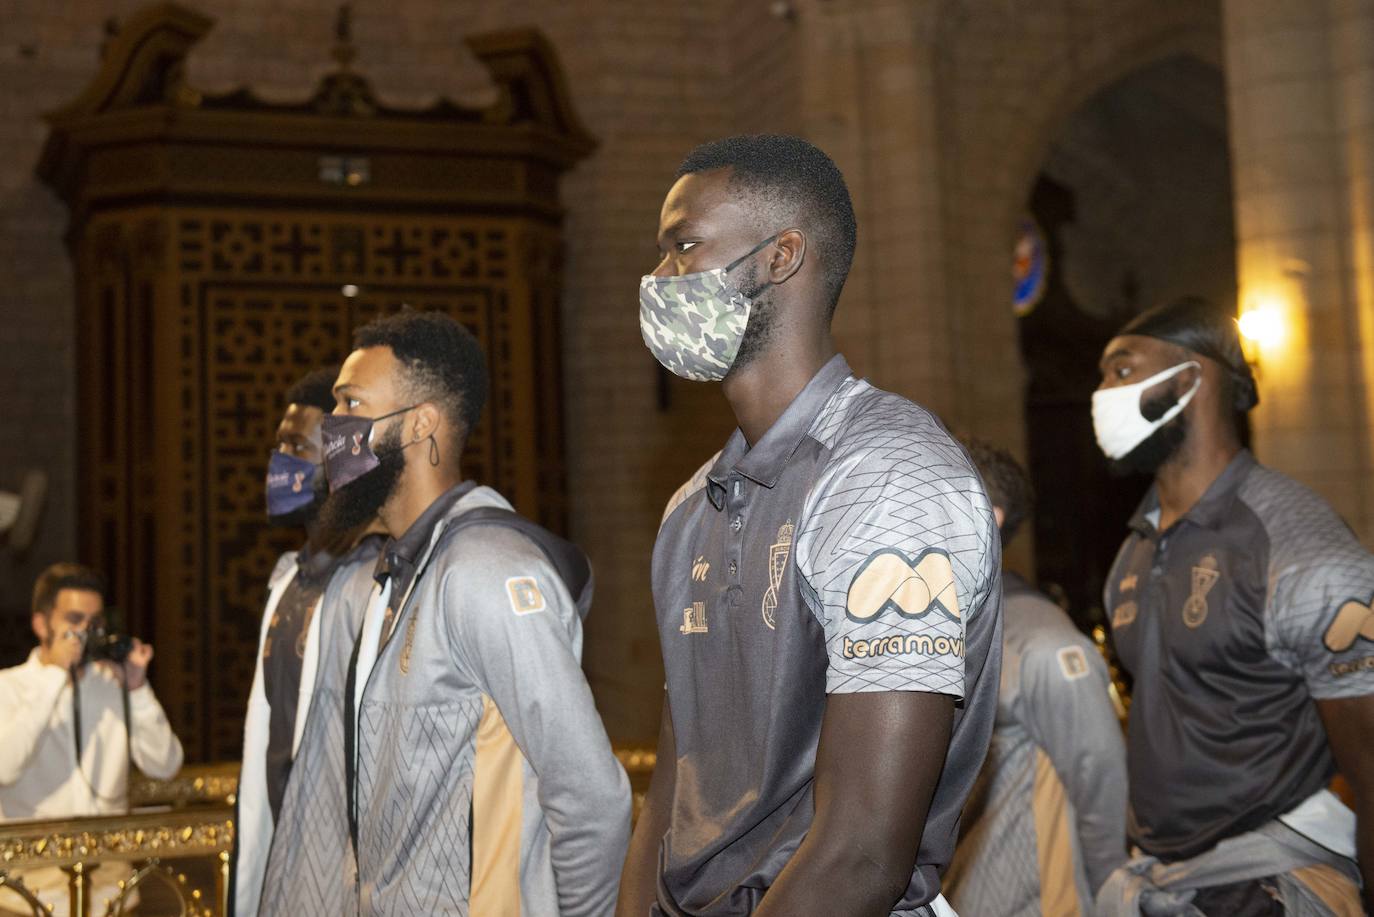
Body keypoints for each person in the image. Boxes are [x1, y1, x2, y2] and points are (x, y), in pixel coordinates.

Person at [617, 134, 1002, 917]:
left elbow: (862, 849)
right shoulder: (692, 503)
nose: (659, 281)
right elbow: (671, 795)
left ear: (781, 256)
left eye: (683, 248)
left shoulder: (886, 477)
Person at [327, 309, 630, 915]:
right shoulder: (390, 575)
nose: (332, 428)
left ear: (420, 425)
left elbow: (592, 800)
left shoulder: (487, 572)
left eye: (352, 405)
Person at [1093, 296, 1374, 916]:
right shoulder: (1134, 551)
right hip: (1168, 885)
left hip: (1271, 884)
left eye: (1121, 370)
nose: (1101, 395)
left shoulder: (1299, 549)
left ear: (1190, 379)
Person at [944, 439, 1127, 915]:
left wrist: (1113, 898)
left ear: (991, 519)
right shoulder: (934, 630)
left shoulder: (1048, 648)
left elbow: (1102, 788)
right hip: (956, 892)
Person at [232, 368, 386, 917]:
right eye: (279, 443)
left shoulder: (376, 582)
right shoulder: (287, 581)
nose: (280, 459)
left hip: (346, 872)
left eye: (296, 445)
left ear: (342, 457)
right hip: (283, 853)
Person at [0, 563, 183, 915]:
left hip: (110, 898)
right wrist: (55, 676)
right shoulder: (9, 688)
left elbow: (165, 766)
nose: (85, 632)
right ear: (41, 624)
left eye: (94, 622)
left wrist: (137, 688)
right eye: (73, 620)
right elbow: (5, 768)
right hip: (27, 896)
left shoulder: (113, 686)